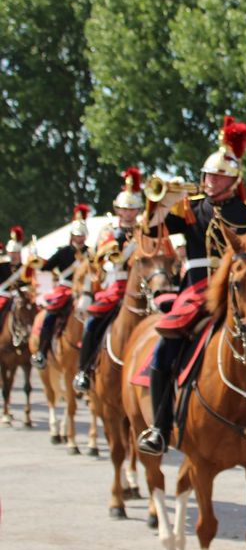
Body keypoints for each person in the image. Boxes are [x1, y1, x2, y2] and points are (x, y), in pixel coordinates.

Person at [135, 116, 246, 455]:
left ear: (233, 181)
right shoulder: (188, 208)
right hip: (197, 292)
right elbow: (149, 231)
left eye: (217, 176)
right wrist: (158, 205)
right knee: (164, 348)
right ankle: (159, 428)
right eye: (207, 175)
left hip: (242, 293)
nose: (208, 181)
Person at [72, 168, 144, 393]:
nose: (128, 214)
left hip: (142, 288)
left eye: (132, 209)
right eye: (124, 209)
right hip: (116, 285)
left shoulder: (145, 231)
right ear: (117, 209)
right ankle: (84, 370)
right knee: (93, 323)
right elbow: (101, 261)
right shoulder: (108, 232)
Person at [31, 205, 90, 369]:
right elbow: (46, 266)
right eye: (77, 235)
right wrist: (37, 259)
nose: (79, 238)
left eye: (82, 235)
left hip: (84, 291)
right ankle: (42, 352)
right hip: (65, 289)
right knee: (49, 316)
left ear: (86, 237)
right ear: (72, 236)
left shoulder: (90, 253)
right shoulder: (63, 252)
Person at [0, 226, 29, 329]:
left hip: (21, 298)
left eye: (16, 253)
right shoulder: (2, 266)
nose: (13, 255)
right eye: (12, 253)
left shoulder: (26, 268)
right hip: (4, 296)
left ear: (20, 253)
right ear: (8, 253)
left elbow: (29, 284)